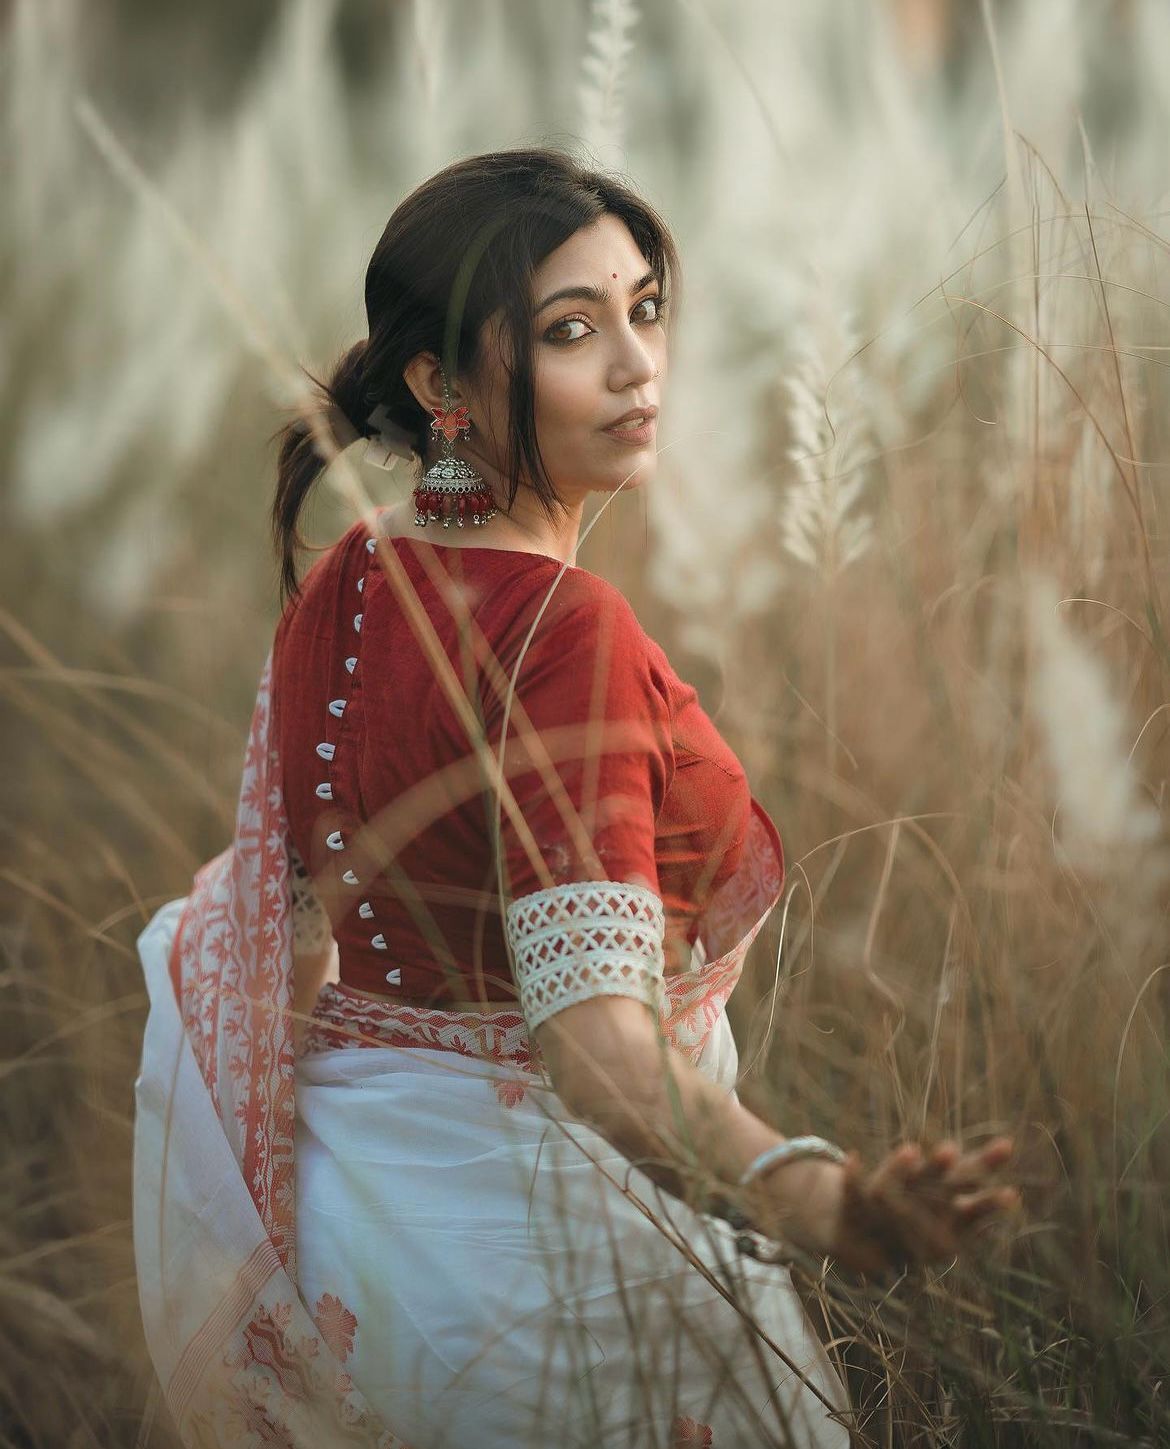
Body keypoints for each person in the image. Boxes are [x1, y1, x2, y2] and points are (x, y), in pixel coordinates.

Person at [132, 146, 1019, 1449]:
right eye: (569, 330)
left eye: (643, 310)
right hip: (535, 1268)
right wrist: (814, 1196)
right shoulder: (565, 630)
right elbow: (594, 1046)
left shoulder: (352, 575)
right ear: (440, 385)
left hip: (347, 1228)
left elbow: (290, 934)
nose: (634, 365)